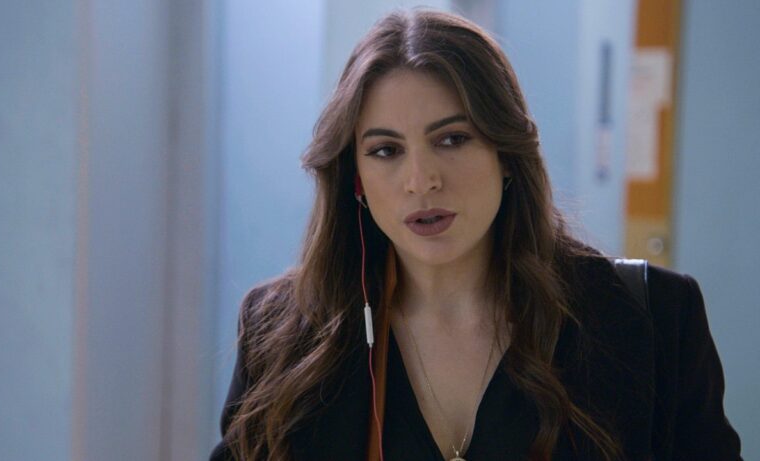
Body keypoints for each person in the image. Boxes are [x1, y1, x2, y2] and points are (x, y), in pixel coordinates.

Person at [209, 9, 741, 461]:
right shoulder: (281, 335)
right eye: (386, 151)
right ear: (356, 179)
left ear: (506, 154)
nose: (421, 180)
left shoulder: (651, 320)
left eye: (453, 139)